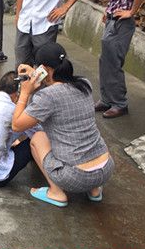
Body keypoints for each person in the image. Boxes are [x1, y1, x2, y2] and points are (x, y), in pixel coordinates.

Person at [11, 43, 113, 207]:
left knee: (37, 138)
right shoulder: (84, 83)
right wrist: (37, 75)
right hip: (106, 168)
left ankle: (56, 193)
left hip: (75, 177)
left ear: (45, 70)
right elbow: (60, 92)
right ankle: (94, 191)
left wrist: (25, 92)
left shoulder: (47, 97)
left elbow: (16, 125)